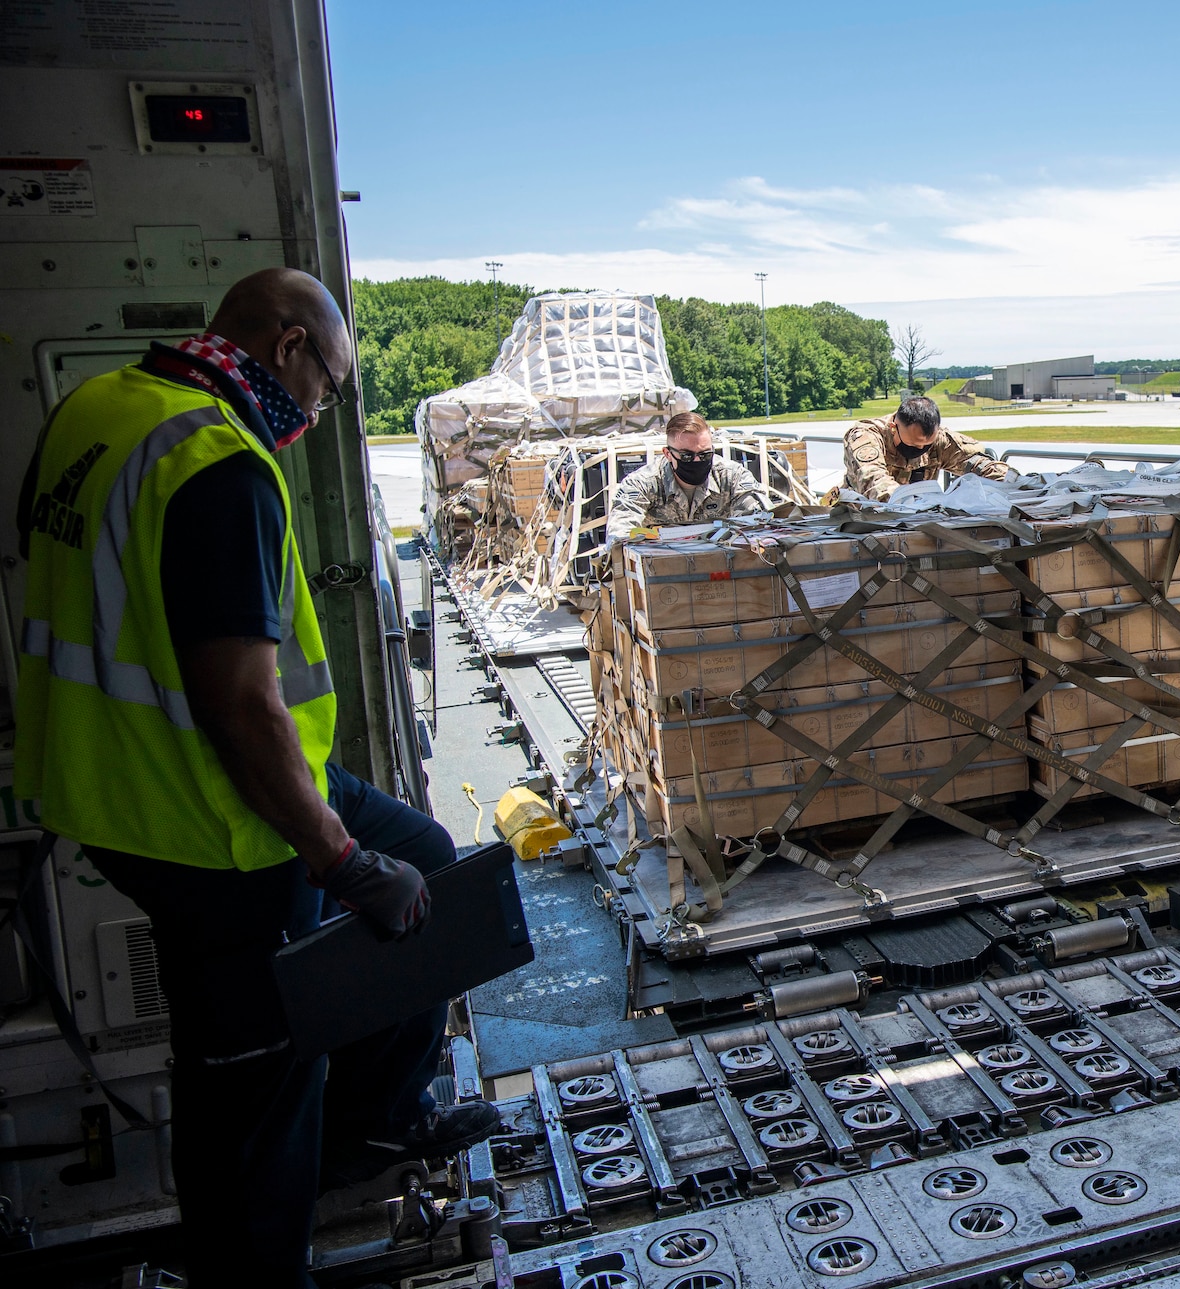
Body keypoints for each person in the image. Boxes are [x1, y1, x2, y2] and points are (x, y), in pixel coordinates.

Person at [15, 267, 500, 1286]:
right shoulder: (216, 464)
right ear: (286, 347)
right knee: (254, 1074)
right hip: (198, 816)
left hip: (115, 777)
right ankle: (258, 1267)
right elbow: (241, 702)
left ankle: (375, 1120)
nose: (322, 410)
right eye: (329, 382)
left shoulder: (97, 410)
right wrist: (336, 857)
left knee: (429, 856)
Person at [607, 411, 765, 539]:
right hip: (661, 568)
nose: (697, 461)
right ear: (668, 454)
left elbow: (759, 522)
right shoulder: (642, 483)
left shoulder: (732, 477)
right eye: (687, 456)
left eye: (705, 455)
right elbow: (620, 535)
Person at [843, 395, 1009, 501]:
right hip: (857, 518)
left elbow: (978, 463)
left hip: (915, 520)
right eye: (913, 444)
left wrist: (1016, 482)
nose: (920, 449)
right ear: (894, 428)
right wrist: (908, 504)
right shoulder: (866, 436)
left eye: (926, 445)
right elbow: (873, 479)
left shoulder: (940, 440)